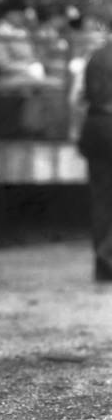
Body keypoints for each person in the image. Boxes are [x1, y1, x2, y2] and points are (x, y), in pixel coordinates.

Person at [78, 37, 112, 281]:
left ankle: (103, 264)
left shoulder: (96, 56)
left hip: (95, 127)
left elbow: (86, 95)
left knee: (101, 199)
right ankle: (107, 257)